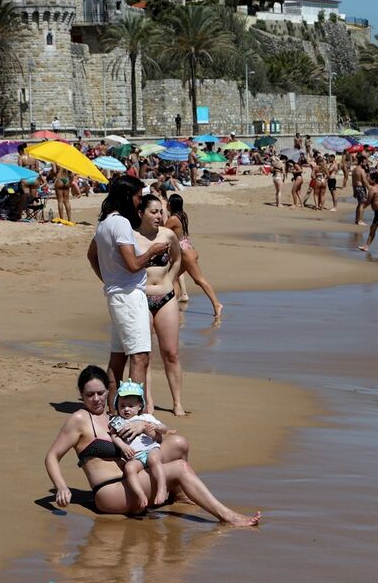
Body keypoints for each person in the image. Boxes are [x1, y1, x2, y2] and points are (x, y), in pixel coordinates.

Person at [45, 366, 260, 526]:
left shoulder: (114, 416)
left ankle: (179, 494)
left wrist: (144, 427)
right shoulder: (80, 419)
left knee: (178, 443)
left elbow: (150, 444)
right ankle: (227, 516)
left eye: (100, 393)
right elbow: (52, 457)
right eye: (89, 394)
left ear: (108, 391)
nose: (96, 399)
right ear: (81, 395)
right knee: (180, 468)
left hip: (133, 477)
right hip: (110, 492)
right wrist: (62, 486)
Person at [87, 175, 167, 409]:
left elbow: (91, 255)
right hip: (129, 295)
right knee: (140, 356)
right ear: (127, 196)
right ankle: (133, 410)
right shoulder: (121, 223)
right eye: (138, 197)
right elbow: (133, 264)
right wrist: (152, 251)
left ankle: (114, 410)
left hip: (118, 294)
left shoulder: (104, 223)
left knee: (119, 356)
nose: (139, 201)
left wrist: (108, 279)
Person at [135, 195, 186, 416]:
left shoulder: (168, 235)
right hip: (141, 298)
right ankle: (148, 401)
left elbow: (177, 259)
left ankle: (177, 402)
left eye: (160, 212)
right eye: (153, 212)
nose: (158, 216)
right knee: (144, 354)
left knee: (171, 352)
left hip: (166, 297)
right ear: (141, 213)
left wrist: (170, 280)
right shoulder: (132, 237)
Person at [109, 380, 169, 509]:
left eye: (131, 406)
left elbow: (165, 429)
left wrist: (156, 427)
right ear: (117, 406)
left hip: (150, 449)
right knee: (129, 468)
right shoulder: (117, 421)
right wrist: (123, 446)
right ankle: (140, 495)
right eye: (122, 406)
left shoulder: (146, 418)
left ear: (140, 406)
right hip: (135, 457)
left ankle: (162, 487)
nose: (126, 409)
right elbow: (114, 435)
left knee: (154, 460)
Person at [165, 194, 223, 323]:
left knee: (199, 280)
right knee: (173, 277)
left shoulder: (173, 218)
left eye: (168, 202)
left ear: (171, 204)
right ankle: (172, 305)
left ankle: (217, 304)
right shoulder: (183, 215)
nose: (167, 204)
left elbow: (162, 231)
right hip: (188, 248)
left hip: (185, 253)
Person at [357, 172, 378, 255]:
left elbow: (369, 201)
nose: (368, 179)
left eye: (369, 178)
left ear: (374, 180)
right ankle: (366, 246)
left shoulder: (372, 189)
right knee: (372, 228)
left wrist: (363, 207)